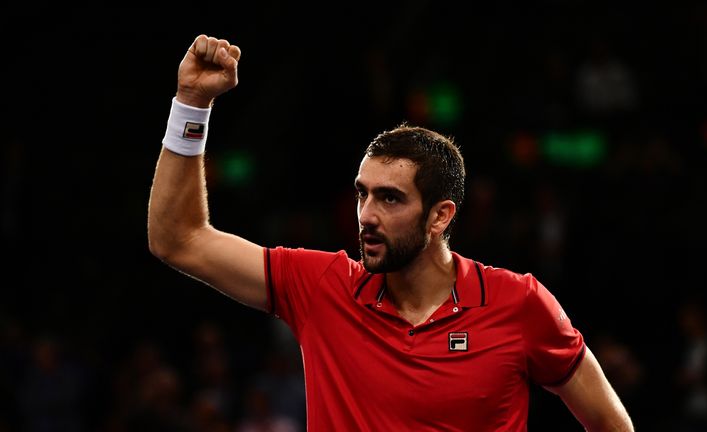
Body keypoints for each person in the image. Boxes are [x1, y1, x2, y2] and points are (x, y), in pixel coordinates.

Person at [148, 34, 634, 431]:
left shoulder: (519, 303)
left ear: (440, 216)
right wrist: (192, 104)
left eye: (390, 198)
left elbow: (611, 424)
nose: (366, 214)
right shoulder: (322, 289)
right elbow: (179, 238)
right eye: (363, 194)